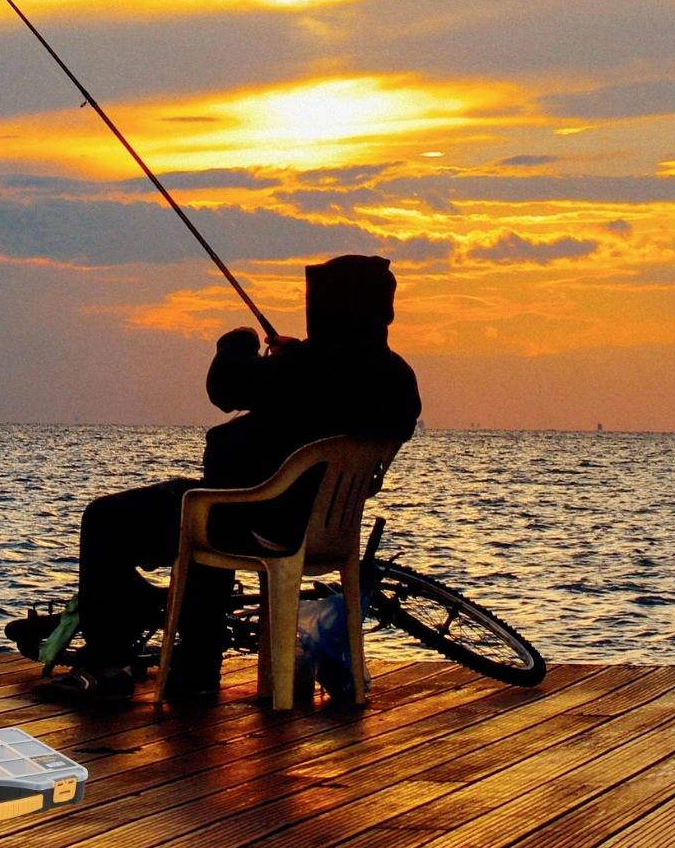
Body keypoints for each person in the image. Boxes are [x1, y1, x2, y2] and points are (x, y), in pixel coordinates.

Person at [24, 254, 422, 704]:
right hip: (320, 531)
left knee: (106, 519)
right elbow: (323, 392)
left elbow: (227, 387)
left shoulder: (308, 369)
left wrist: (239, 342)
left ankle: (107, 662)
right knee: (212, 503)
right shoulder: (396, 378)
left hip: (258, 519)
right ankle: (190, 668)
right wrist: (296, 358)